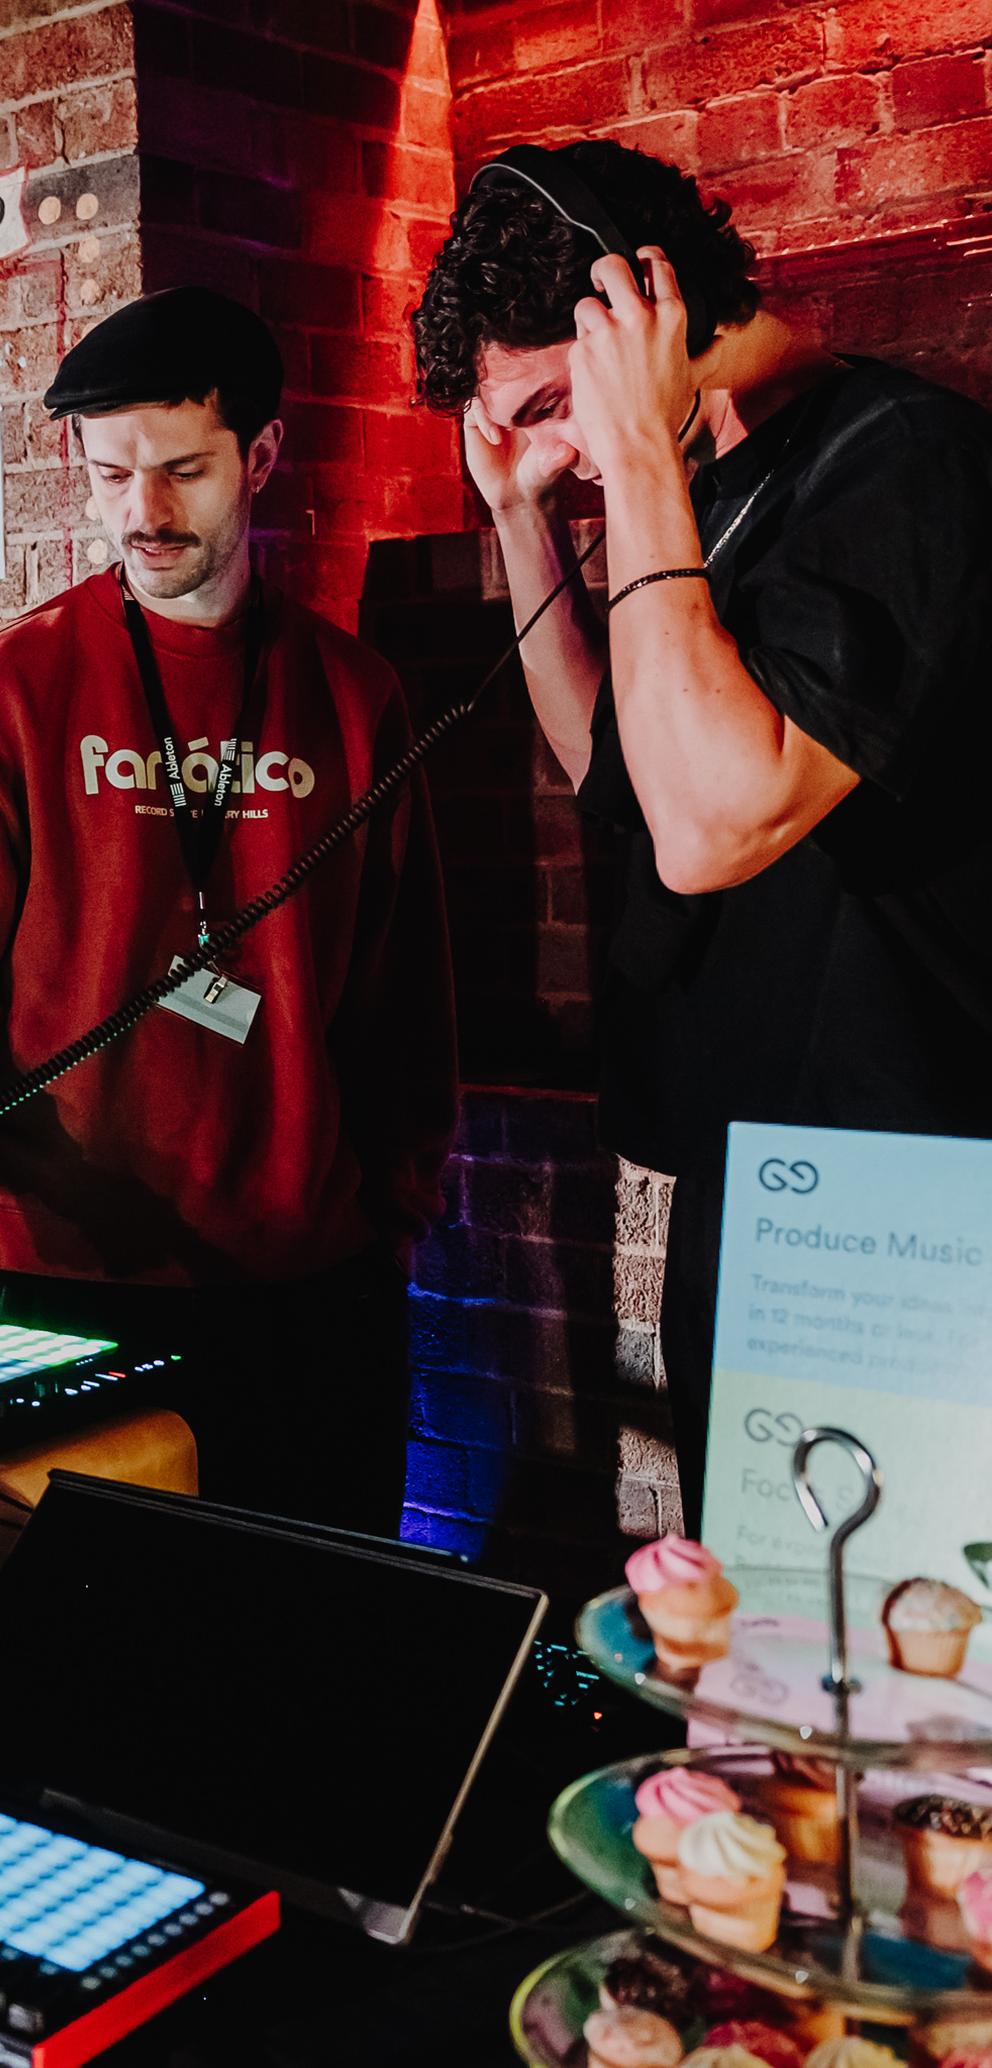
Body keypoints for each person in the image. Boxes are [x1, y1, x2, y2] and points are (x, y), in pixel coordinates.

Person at [0, 287, 457, 1536]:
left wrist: (391, 1226)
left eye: (182, 471)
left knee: (314, 1658)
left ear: (261, 455)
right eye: (110, 475)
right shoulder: (14, 690)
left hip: (307, 1295)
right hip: (54, 1283)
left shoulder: (357, 697)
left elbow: (404, 1004)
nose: (142, 513)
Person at [412, 140, 992, 1516]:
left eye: (555, 402)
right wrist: (520, 525)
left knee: (881, 1671)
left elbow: (715, 826)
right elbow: (617, 768)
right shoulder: (708, 489)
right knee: (758, 1645)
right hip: (759, 1172)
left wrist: (636, 472)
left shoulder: (897, 460)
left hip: (893, 1194)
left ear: (643, 307)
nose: (554, 451)